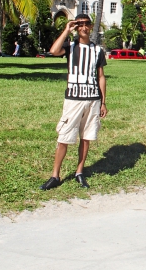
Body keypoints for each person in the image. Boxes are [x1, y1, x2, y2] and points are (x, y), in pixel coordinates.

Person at [41, 14, 107, 190]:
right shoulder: (70, 47)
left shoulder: (98, 51)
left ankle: (79, 172)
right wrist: (66, 29)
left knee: (86, 138)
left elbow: (101, 77)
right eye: (80, 25)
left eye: (86, 24)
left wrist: (103, 102)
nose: (84, 27)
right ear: (77, 27)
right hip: (74, 99)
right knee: (64, 137)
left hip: (92, 99)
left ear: (91, 26)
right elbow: (53, 51)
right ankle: (55, 175)